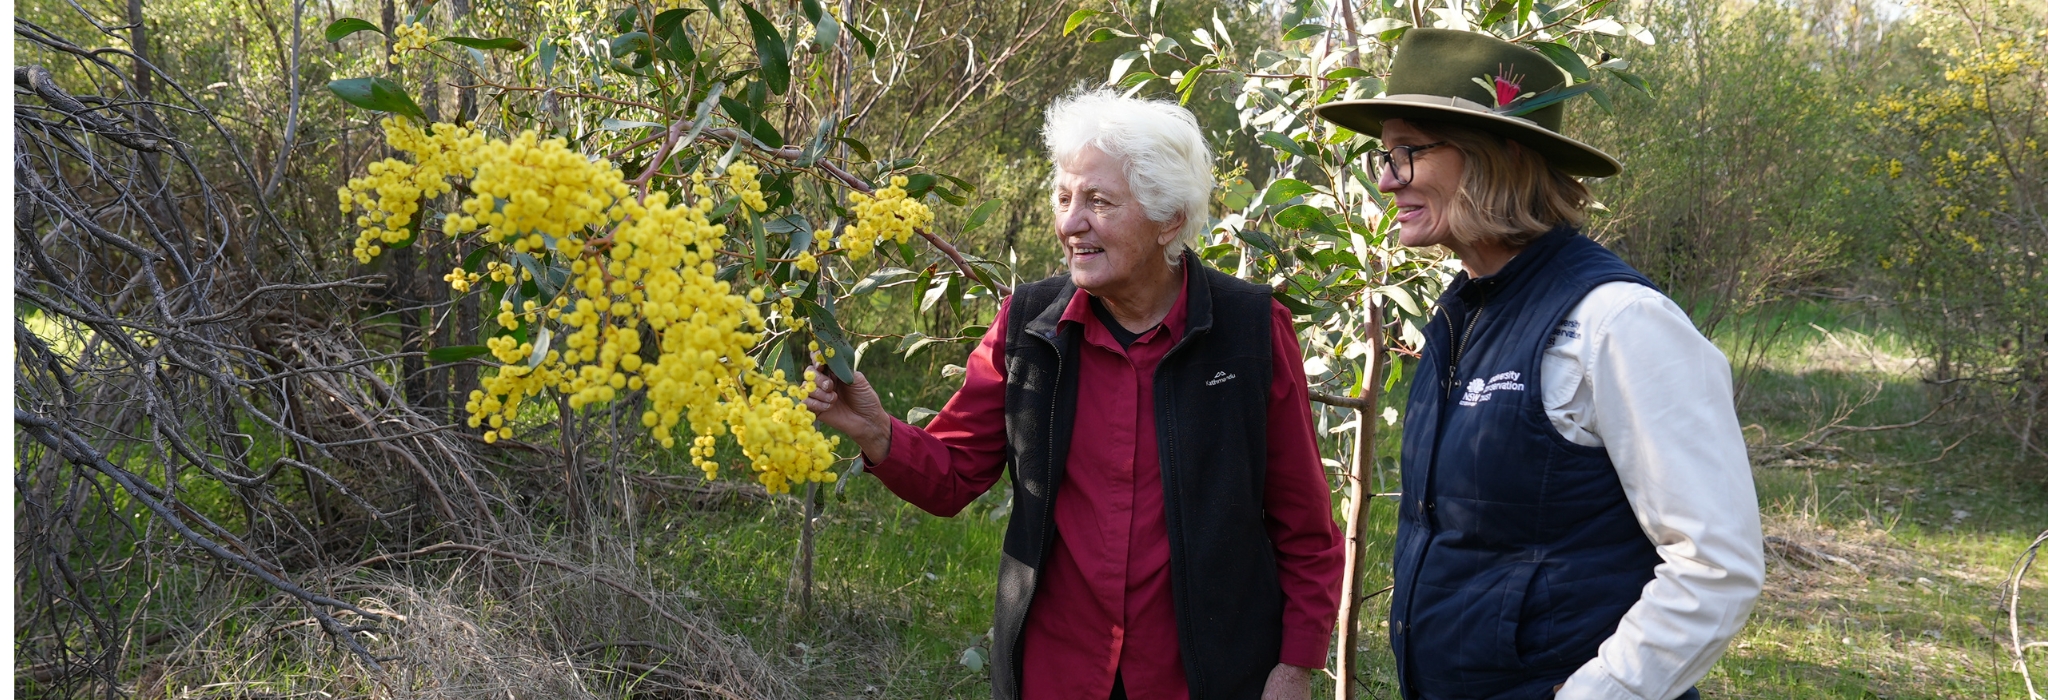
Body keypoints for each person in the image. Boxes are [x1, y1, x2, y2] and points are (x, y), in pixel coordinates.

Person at [804, 90, 1343, 700]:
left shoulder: (1249, 332)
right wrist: (876, 431)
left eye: (1098, 201)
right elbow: (953, 475)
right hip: (1059, 675)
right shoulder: (1028, 326)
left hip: (1206, 678)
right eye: (1064, 197)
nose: (1069, 223)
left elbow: (1304, 524)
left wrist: (1294, 666)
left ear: (1169, 218)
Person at [1311, 29, 1766, 700]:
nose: (1385, 178)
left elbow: (1716, 566)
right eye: (1383, 154)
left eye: (1408, 152)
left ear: (1499, 156)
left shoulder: (1618, 323)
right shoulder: (1461, 311)